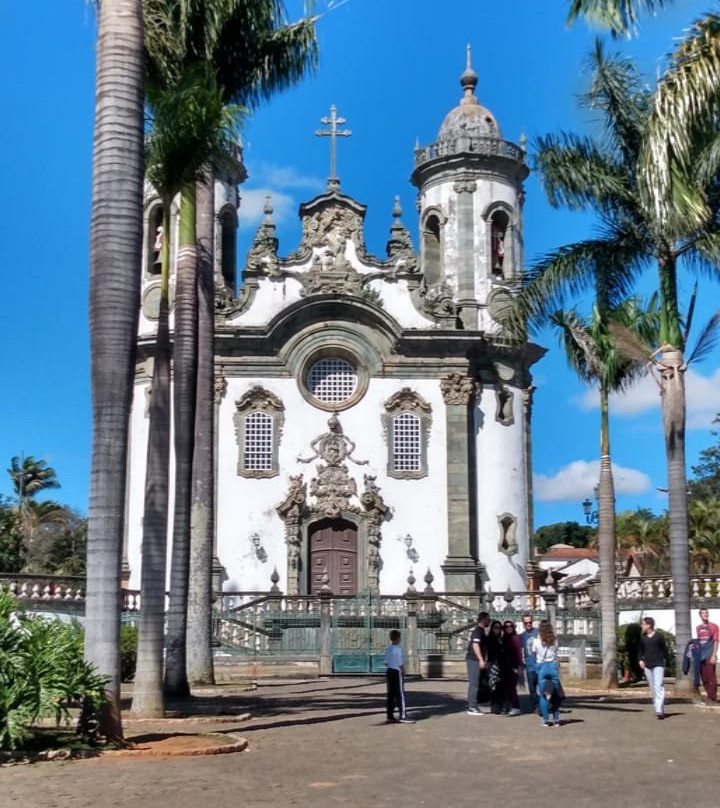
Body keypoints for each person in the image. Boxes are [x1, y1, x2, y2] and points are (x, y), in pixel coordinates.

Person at [531, 620, 563, 727]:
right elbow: (556, 652)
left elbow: (534, 654)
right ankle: (556, 719)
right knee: (556, 694)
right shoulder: (555, 641)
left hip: (542, 667)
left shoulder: (536, 641)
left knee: (544, 695)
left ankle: (545, 720)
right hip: (552, 666)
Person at [638, 616, 668, 719]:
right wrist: (640, 660)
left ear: (649, 625)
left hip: (658, 664)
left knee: (658, 685)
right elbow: (640, 650)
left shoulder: (659, 637)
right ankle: (658, 707)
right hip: (647, 665)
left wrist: (665, 662)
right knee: (652, 687)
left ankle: (659, 709)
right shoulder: (642, 637)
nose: (641, 626)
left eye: (643, 624)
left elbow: (665, 650)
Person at [384, 629, 414, 723]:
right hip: (397, 672)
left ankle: (390, 715)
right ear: (398, 638)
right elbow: (401, 663)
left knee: (390, 694)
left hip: (389, 671)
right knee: (400, 694)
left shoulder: (388, 649)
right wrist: (403, 671)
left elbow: (385, 662)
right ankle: (403, 716)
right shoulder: (398, 649)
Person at [466, 612, 489, 715]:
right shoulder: (478, 631)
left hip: (475, 659)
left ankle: (473, 705)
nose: (489, 621)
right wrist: (481, 659)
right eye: (488, 619)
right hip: (473, 660)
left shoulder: (480, 631)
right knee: (474, 683)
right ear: (483, 619)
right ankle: (472, 707)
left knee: (476, 683)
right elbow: (475, 645)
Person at [696, 608, 719, 702]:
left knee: (711, 677)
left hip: (709, 655)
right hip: (700, 655)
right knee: (704, 677)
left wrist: (714, 655)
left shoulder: (714, 626)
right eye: (703, 613)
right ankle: (709, 695)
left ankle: (712, 697)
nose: (705, 615)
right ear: (700, 615)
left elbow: (716, 641)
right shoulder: (698, 628)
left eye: (706, 613)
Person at [501, 620, 523, 715]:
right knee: (506, 688)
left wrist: (520, 666)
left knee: (512, 687)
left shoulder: (515, 638)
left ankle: (516, 707)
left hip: (513, 666)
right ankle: (508, 706)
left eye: (510, 626)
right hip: (505, 665)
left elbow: (519, 652)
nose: (508, 628)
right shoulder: (504, 638)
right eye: (506, 627)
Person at [519, 614, 539, 714]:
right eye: (526, 623)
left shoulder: (538, 632)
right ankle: (535, 706)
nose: (528, 624)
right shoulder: (522, 636)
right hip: (529, 666)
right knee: (532, 688)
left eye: (530, 622)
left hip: (540, 665)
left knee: (544, 687)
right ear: (523, 624)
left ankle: (545, 704)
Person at [486, 620, 506, 714]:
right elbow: (490, 653)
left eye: (499, 628)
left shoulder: (500, 638)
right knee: (494, 686)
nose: (497, 629)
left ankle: (499, 706)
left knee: (500, 686)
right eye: (496, 627)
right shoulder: (490, 638)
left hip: (501, 664)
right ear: (492, 628)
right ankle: (495, 707)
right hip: (494, 664)